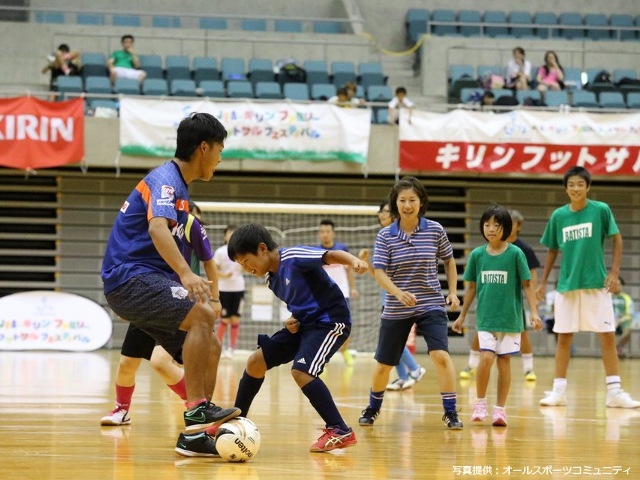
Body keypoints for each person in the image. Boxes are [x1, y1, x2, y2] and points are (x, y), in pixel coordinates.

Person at [101, 112, 240, 457]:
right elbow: (157, 229)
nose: (221, 158)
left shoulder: (181, 189)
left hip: (143, 283)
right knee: (203, 318)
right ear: (204, 147)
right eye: (220, 149)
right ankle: (197, 408)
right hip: (130, 277)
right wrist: (186, 274)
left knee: (211, 343)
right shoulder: (165, 180)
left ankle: (196, 434)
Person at [227, 223, 368, 452]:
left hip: (330, 321)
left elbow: (330, 255)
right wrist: (292, 319)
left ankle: (340, 429)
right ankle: (236, 423)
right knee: (255, 362)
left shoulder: (293, 257)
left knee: (302, 371)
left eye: (246, 261)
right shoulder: (271, 280)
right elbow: (300, 301)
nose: (246, 269)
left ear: (262, 249)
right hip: (304, 325)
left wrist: (353, 261)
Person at [358, 176, 463, 429]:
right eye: (402, 200)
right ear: (396, 203)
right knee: (384, 364)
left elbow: (449, 260)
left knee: (441, 355)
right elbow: (380, 271)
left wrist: (453, 291)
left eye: (412, 200)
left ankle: (451, 412)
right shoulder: (385, 236)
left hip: (431, 303)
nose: (407, 205)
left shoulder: (435, 230)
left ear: (421, 202)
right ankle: (373, 408)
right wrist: (397, 293)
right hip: (397, 306)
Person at [100, 203, 216, 428]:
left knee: (160, 362)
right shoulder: (157, 228)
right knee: (126, 364)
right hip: (150, 298)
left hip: (179, 306)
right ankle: (122, 410)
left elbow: (210, 263)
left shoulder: (192, 228)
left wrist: (215, 299)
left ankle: (196, 406)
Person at [537, 166, 640, 409]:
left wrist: (614, 272)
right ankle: (559, 391)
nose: (575, 188)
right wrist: (542, 282)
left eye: (580, 184)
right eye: (571, 185)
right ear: (566, 188)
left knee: (607, 337)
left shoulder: (601, 210)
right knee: (564, 338)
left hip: (596, 285)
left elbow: (617, 239)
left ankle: (614, 392)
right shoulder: (559, 216)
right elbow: (552, 250)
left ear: (588, 187)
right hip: (568, 286)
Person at [452, 204, 542, 427]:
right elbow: (471, 288)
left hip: (510, 319)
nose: (491, 228)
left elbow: (527, 285)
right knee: (486, 357)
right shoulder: (477, 255)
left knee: (504, 361)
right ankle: (480, 403)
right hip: (486, 319)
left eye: (496, 224)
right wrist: (462, 316)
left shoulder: (515, 254)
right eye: (487, 224)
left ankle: (500, 409)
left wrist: (534, 312)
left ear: (507, 227)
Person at [359, 199, 427, 391]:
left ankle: (415, 368)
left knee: (390, 341)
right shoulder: (383, 237)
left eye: (387, 211)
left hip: (401, 297)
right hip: (388, 296)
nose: (382, 214)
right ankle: (403, 376)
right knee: (389, 341)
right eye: (380, 211)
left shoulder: (401, 237)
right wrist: (366, 262)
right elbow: (378, 275)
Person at [317, 219, 359, 366]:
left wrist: (353, 287)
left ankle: (345, 350)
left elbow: (349, 271)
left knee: (346, 324)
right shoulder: (316, 252)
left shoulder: (342, 249)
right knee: (322, 325)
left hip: (342, 293)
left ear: (333, 233)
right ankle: (322, 357)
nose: (325, 234)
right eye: (322, 232)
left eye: (327, 231)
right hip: (323, 295)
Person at [214, 225, 246, 358]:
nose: (232, 235)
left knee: (235, 319)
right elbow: (214, 271)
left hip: (238, 288)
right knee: (224, 319)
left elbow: (247, 267)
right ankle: (218, 347)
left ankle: (232, 349)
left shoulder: (242, 252)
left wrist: (242, 268)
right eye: (229, 233)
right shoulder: (220, 252)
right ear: (225, 236)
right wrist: (224, 276)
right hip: (224, 289)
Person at [614, 278, 634, 357]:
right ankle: (610, 349)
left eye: (619, 285)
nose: (617, 286)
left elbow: (629, 313)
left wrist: (620, 320)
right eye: (616, 284)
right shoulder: (607, 296)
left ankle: (617, 347)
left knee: (628, 330)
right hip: (609, 320)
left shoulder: (626, 298)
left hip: (623, 320)